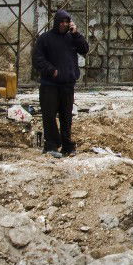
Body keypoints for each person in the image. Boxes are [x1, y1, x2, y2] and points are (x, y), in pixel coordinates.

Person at [31, 8, 89, 157]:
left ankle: (67, 146)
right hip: (49, 85)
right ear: (56, 22)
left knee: (66, 116)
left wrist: (76, 33)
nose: (64, 24)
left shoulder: (72, 38)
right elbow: (37, 59)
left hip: (67, 85)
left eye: (66, 21)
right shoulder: (45, 38)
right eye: (61, 22)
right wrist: (51, 70)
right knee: (49, 116)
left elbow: (85, 49)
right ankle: (51, 146)